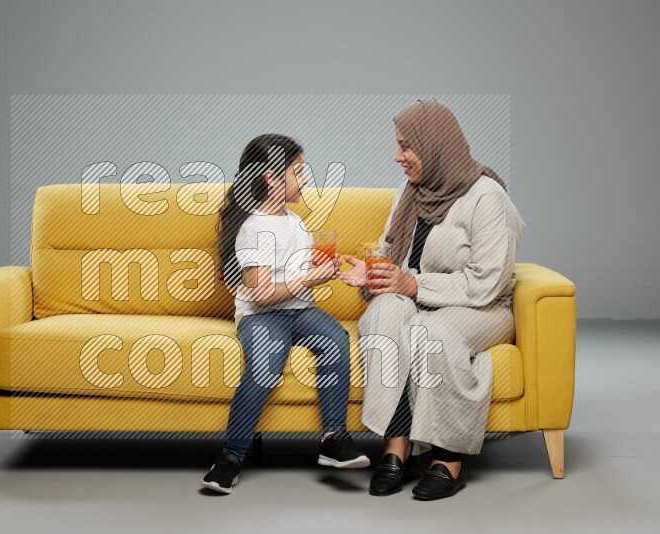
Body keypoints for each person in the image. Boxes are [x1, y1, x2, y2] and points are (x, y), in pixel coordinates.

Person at [340, 99, 525, 500]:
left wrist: (412, 286)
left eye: (407, 146)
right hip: (426, 297)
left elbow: (488, 283)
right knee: (382, 314)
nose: (398, 157)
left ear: (435, 144)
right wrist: (372, 277)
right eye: (398, 145)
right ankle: (396, 443)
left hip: (481, 308)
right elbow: (396, 264)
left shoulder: (487, 198)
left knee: (431, 331)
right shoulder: (409, 194)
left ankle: (448, 456)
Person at [201, 134, 370, 494]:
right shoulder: (253, 229)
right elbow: (261, 295)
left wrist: (322, 267)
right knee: (265, 366)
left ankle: (333, 439)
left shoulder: (294, 221)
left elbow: (291, 271)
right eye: (298, 170)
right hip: (263, 317)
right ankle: (230, 456)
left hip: (300, 310)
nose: (306, 177)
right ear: (271, 179)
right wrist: (309, 276)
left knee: (336, 339)